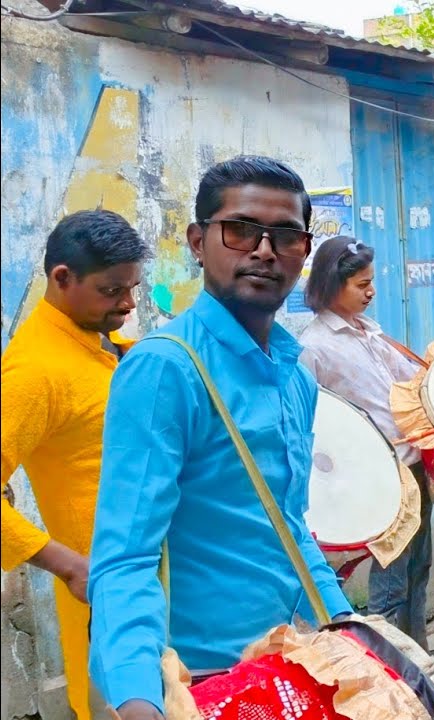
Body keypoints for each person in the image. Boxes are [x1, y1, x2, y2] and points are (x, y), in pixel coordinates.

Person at [88, 157, 353, 720]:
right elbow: (126, 556)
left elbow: (289, 526)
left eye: (285, 236)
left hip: (285, 667)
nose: (263, 250)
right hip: (198, 682)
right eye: (240, 231)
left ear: (303, 253)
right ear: (197, 241)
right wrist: (140, 700)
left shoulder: (293, 371)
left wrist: (347, 630)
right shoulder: (167, 369)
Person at [298, 236, 434, 684]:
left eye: (371, 282)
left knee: (419, 567)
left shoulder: (369, 330)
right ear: (332, 284)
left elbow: (410, 380)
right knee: (391, 582)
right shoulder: (314, 346)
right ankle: (388, 676)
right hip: (377, 479)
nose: (370, 291)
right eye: (361, 284)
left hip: (412, 465)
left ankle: (421, 664)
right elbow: (314, 425)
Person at [1, 210, 149, 719]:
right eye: (112, 291)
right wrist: (67, 564)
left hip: (160, 572)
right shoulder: (34, 371)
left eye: (132, 287)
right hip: (105, 590)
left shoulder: (110, 345)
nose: (128, 303)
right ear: (62, 278)